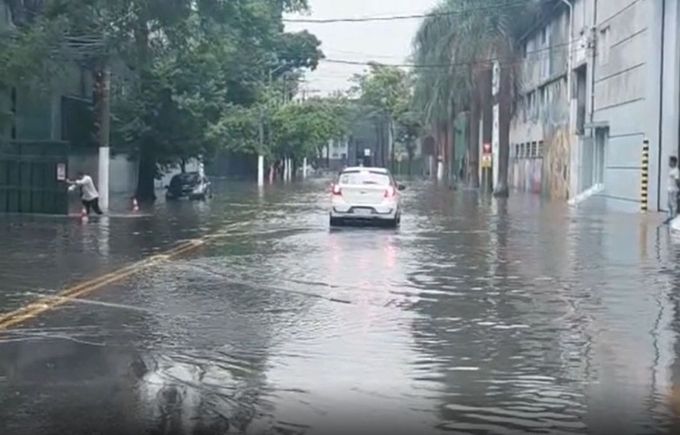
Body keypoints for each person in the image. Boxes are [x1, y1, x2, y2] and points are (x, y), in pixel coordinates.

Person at [668, 156, 680, 221]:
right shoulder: (671, 170)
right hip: (670, 190)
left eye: (670, 161)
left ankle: (674, 218)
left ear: (674, 162)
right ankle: (670, 217)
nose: (669, 163)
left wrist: (679, 188)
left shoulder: (676, 170)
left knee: (674, 204)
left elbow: (677, 180)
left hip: (674, 190)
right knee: (669, 204)